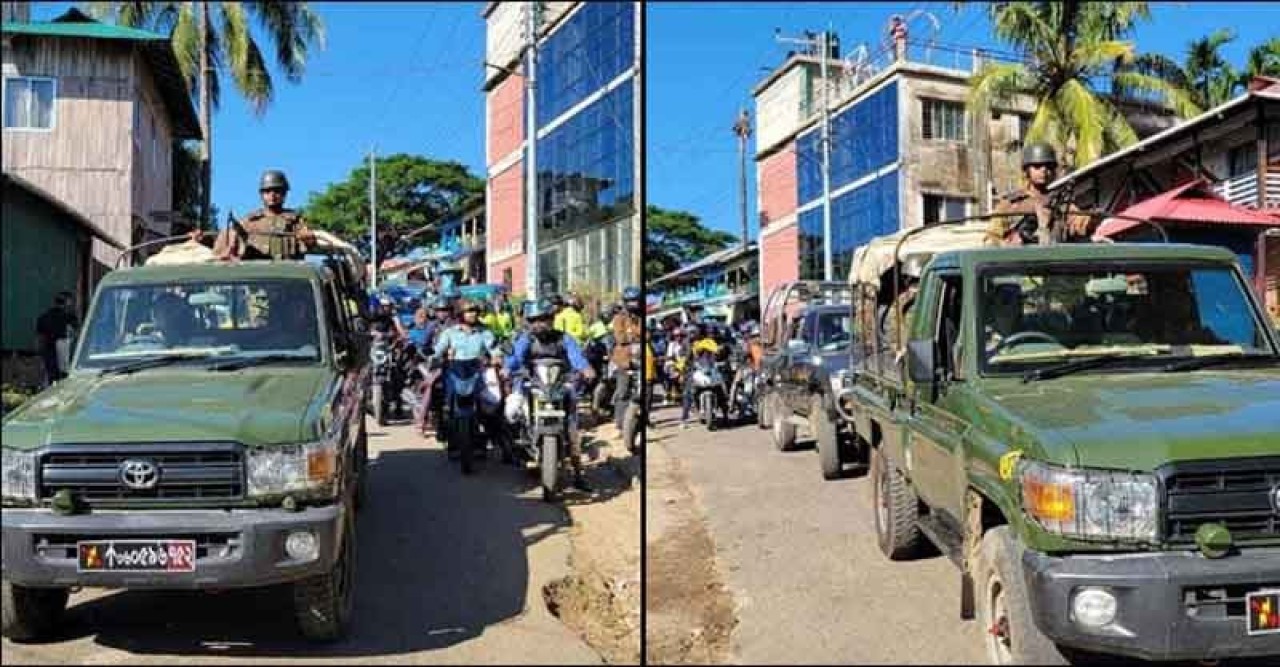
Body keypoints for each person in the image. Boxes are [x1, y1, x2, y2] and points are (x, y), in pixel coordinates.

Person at [505, 300, 595, 491]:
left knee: (572, 426)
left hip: (560, 385)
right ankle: (517, 445)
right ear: (529, 322)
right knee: (513, 412)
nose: (539, 324)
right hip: (532, 383)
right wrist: (507, 367)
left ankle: (578, 474)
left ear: (552, 319)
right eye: (534, 320)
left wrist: (585, 368)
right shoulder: (526, 339)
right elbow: (516, 358)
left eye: (543, 319)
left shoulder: (564, 338)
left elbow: (576, 356)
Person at [985, 143, 1091, 247]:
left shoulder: (1061, 202)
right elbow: (989, 240)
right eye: (1037, 166)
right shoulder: (1010, 204)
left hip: (1054, 259)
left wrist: (1093, 222)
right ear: (1027, 170)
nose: (1044, 170)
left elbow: (1081, 223)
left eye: (1048, 166)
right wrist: (1006, 244)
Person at [433, 300, 499, 457]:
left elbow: (495, 350)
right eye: (469, 311)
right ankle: (448, 437)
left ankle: (492, 439)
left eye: (475, 311)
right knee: (442, 400)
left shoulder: (484, 332)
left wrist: (496, 357)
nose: (473, 314)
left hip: (477, 372)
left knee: (491, 404)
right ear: (460, 314)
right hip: (455, 372)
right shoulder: (450, 333)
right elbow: (438, 350)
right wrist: (434, 357)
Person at [208, 170, 317, 260]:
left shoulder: (296, 221)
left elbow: (313, 243)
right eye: (267, 191)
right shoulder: (249, 222)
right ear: (261, 194)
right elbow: (224, 242)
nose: (272, 195)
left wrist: (308, 238)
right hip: (258, 277)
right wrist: (204, 240)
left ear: (285, 193)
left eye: (277, 191)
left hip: (290, 277)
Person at [609, 286, 645, 427]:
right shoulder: (619, 318)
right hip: (624, 360)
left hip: (640, 359)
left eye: (635, 301)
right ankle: (620, 423)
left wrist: (632, 333)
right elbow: (620, 338)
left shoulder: (642, 317)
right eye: (630, 301)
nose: (633, 304)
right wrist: (634, 335)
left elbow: (646, 335)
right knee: (622, 392)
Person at [681, 324, 721, 429]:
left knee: (720, 387)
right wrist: (682, 365)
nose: (693, 335)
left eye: (695, 332)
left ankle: (725, 410)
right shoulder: (686, 344)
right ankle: (684, 419)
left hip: (707, 369)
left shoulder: (706, 342)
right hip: (691, 370)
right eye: (691, 333)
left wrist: (719, 352)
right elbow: (683, 357)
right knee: (688, 393)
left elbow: (716, 350)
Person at [35, 292, 78, 386]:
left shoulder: (44, 317)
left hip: (47, 347)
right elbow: (74, 332)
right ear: (67, 302)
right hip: (62, 346)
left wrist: (39, 352)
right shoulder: (69, 317)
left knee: (50, 373)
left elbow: (39, 337)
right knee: (63, 373)